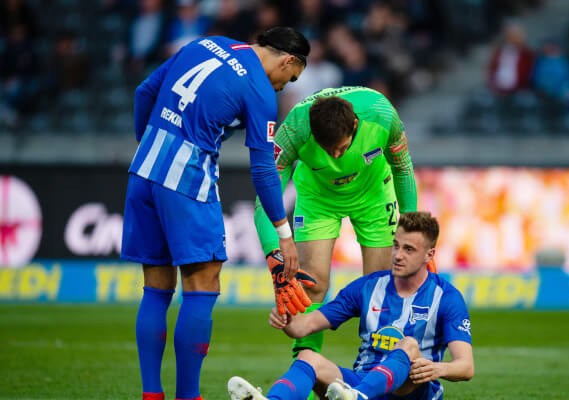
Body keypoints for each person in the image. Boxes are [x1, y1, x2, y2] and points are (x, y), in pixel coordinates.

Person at [120, 27, 310, 400]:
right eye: (291, 78)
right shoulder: (258, 89)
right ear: (288, 60)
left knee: (156, 289)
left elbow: (145, 90)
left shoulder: (207, 43)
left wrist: (147, 144)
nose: (284, 87)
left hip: (143, 169)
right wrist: (283, 234)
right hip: (186, 179)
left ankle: (151, 394)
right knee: (202, 285)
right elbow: (263, 169)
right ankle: (188, 396)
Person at [229, 212, 474, 400]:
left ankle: (358, 396)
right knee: (308, 356)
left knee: (409, 346)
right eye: (396, 245)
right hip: (359, 381)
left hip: (410, 390)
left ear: (429, 255)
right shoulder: (367, 287)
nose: (398, 255)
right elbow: (305, 327)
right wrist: (288, 320)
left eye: (409, 249)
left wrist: (436, 369)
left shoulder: (447, 297)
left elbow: (466, 366)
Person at [253, 86, 418, 360]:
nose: (335, 157)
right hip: (318, 199)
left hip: (374, 194)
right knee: (312, 283)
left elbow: (402, 167)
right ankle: (306, 365)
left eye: (341, 147)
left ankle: (374, 365)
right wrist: (274, 251)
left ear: (355, 124)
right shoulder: (294, 130)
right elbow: (265, 198)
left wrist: (412, 227)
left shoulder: (382, 114)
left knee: (378, 286)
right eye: (327, 150)